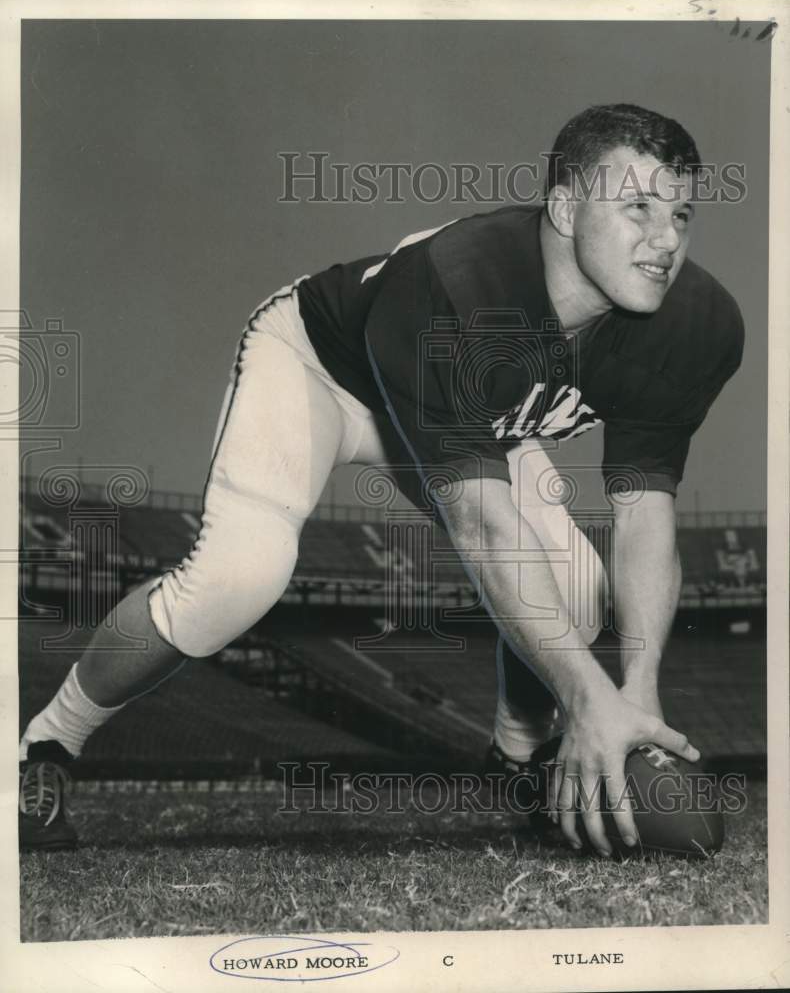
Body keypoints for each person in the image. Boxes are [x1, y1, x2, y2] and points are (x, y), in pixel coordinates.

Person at [19, 103, 743, 857]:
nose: (666, 240)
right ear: (564, 206)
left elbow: (645, 515)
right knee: (238, 577)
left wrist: (638, 694)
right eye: (637, 207)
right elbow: (483, 527)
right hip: (325, 373)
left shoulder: (695, 325)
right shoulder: (461, 284)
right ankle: (43, 749)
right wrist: (588, 698)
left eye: (681, 213)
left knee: (577, 585)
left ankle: (516, 760)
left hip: (469, 415)